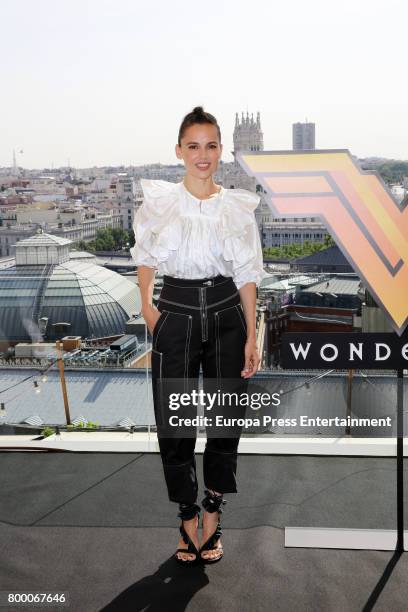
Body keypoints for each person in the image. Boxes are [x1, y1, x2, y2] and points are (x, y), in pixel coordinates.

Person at [131, 106, 267, 565]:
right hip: (177, 312)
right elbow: (145, 260)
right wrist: (150, 311)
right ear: (179, 151)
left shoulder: (237, 206)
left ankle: (213, 511)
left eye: (211, 145)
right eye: (193, 146)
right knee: (176, 425)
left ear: (221, 150)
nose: (202, 155)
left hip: (229, 312)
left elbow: (248, 274)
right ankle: (187, 515)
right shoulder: (162, 203)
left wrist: (251, 334)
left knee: (227, 421)